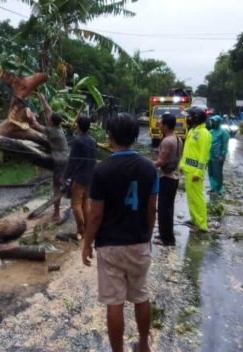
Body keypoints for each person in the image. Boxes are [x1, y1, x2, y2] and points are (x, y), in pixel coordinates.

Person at [82, 114, 158, 352]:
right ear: (136, 137)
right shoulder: (149, 168)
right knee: (141, 296)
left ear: (110, 136)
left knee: (114, 303)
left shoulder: (101, 170)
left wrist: (86, 243)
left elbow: (95, 216)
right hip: (138, 241)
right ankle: (144, 345)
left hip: (110, 245)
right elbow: (151, 208)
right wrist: (147, 234)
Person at [26, 93, 69, 221]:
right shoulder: (58, 126)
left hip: (60, 160)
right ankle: (66, 183)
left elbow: (34, 125)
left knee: (56, 186)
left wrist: (31, 116)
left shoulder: (52, 131)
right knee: (59, 184)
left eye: (49, 119)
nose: (49, 118)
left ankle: (56, 213)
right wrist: (43, 99)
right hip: (64, 158)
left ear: (51, 122)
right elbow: (49, 111)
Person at [63, 116, 97, 239]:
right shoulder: (93, 141)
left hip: (79, 177)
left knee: (76, 204)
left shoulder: (77, 141)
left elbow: (71, 161)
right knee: (86, 202)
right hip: (90, 176)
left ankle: (81, 229)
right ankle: (88, 228)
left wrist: (64, 176)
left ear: (78, 126)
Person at [180, 107, 212, 232]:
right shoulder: (192, 131)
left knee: (197, 198)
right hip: (188, 169)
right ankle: (194, 219)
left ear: (196, 117)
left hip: (195, 172)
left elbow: (204, 156)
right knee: (190, 197)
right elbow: (188, 151)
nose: (187, 118)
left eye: (190, 116)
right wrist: (182, 165)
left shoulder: (204, 134)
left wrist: (199, 172)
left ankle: (202, 224)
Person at [153, 113, 182, 246]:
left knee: (164, 209)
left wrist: (147, 164)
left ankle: (166, 239)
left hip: (167, 178)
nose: (159, 125)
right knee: (168, 208)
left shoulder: (166, 141)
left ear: (165, 126)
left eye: (161, 123)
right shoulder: (177, 139)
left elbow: (161, 161)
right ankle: (166, 235)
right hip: (174, 177)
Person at [208, 115, 229, 196]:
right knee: (211, 173)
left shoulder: (224, 132)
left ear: (218, 122)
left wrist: (222, 155)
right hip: (210, 156)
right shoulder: (210, 131)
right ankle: (213, 188)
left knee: (218, 173)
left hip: (218, 157)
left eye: (214, 122)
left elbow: (225, 145)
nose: (212, 123)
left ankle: (219, 189)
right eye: (212, 122)